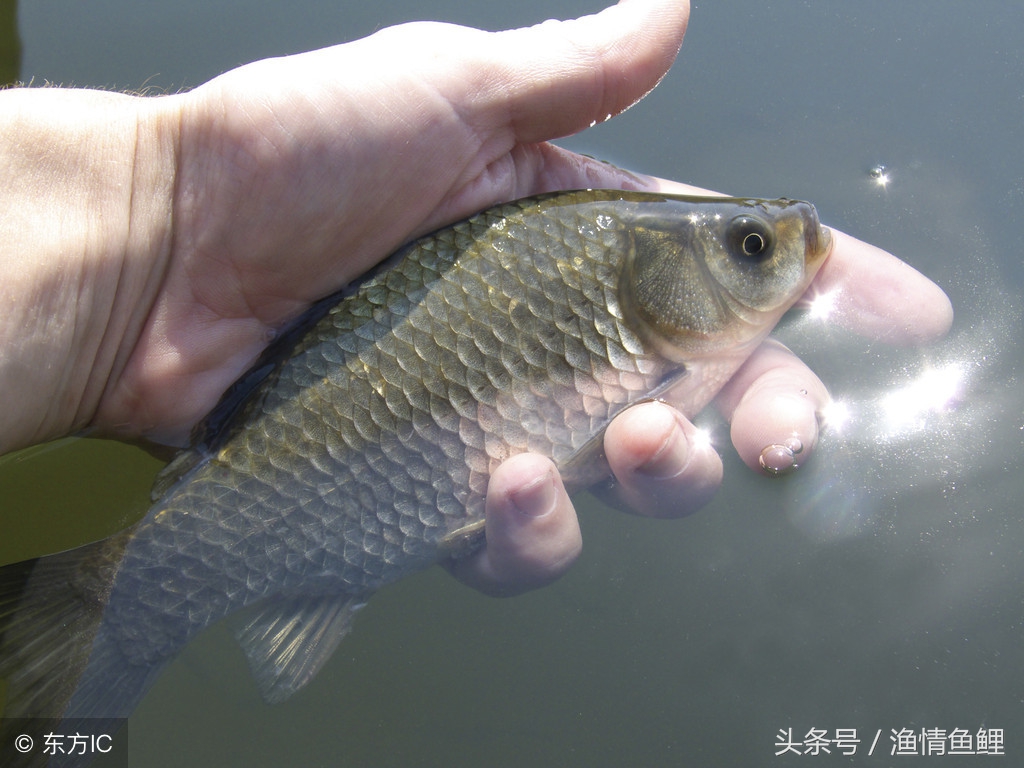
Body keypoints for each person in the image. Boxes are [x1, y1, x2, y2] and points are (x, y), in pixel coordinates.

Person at [0, 0, 951, 596]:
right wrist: (159, 211)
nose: (782, 244)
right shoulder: (617, 286)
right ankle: (96, 601)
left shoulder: (623, 283)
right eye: (751, 247)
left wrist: (148, 227)